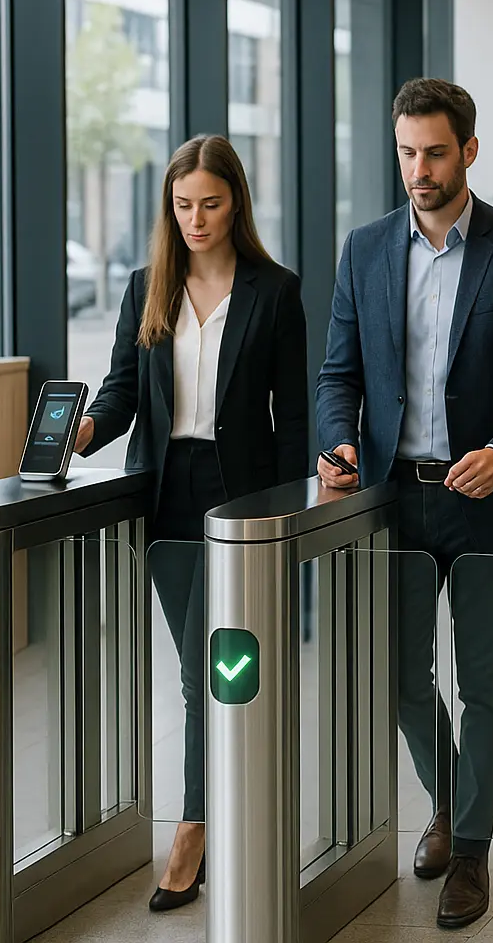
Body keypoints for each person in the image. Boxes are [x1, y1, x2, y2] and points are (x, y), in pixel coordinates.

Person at [315, 77, 493, 929]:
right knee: (398, 677)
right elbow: (338, 375)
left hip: (488, 502)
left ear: (468, 149)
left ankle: (469, 850)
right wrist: (338, 441)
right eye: (406, 153)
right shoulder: (364, 249)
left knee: (487, 684)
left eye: (434, 152)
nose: (419, 170)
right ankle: (454, 799)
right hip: (396, 498)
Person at [74, 134, 308, 913]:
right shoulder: (150, 284)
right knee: (195, 671)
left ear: (235, 201)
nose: (196, 219)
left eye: (209, 203)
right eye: (182, 206)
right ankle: (218, 812)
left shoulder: (275, 291)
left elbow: (295, 419)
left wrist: (296, 516)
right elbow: (120, 393)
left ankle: (194, 826)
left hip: (242, 496)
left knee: (222, 668)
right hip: (167, 493)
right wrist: (79, 432)